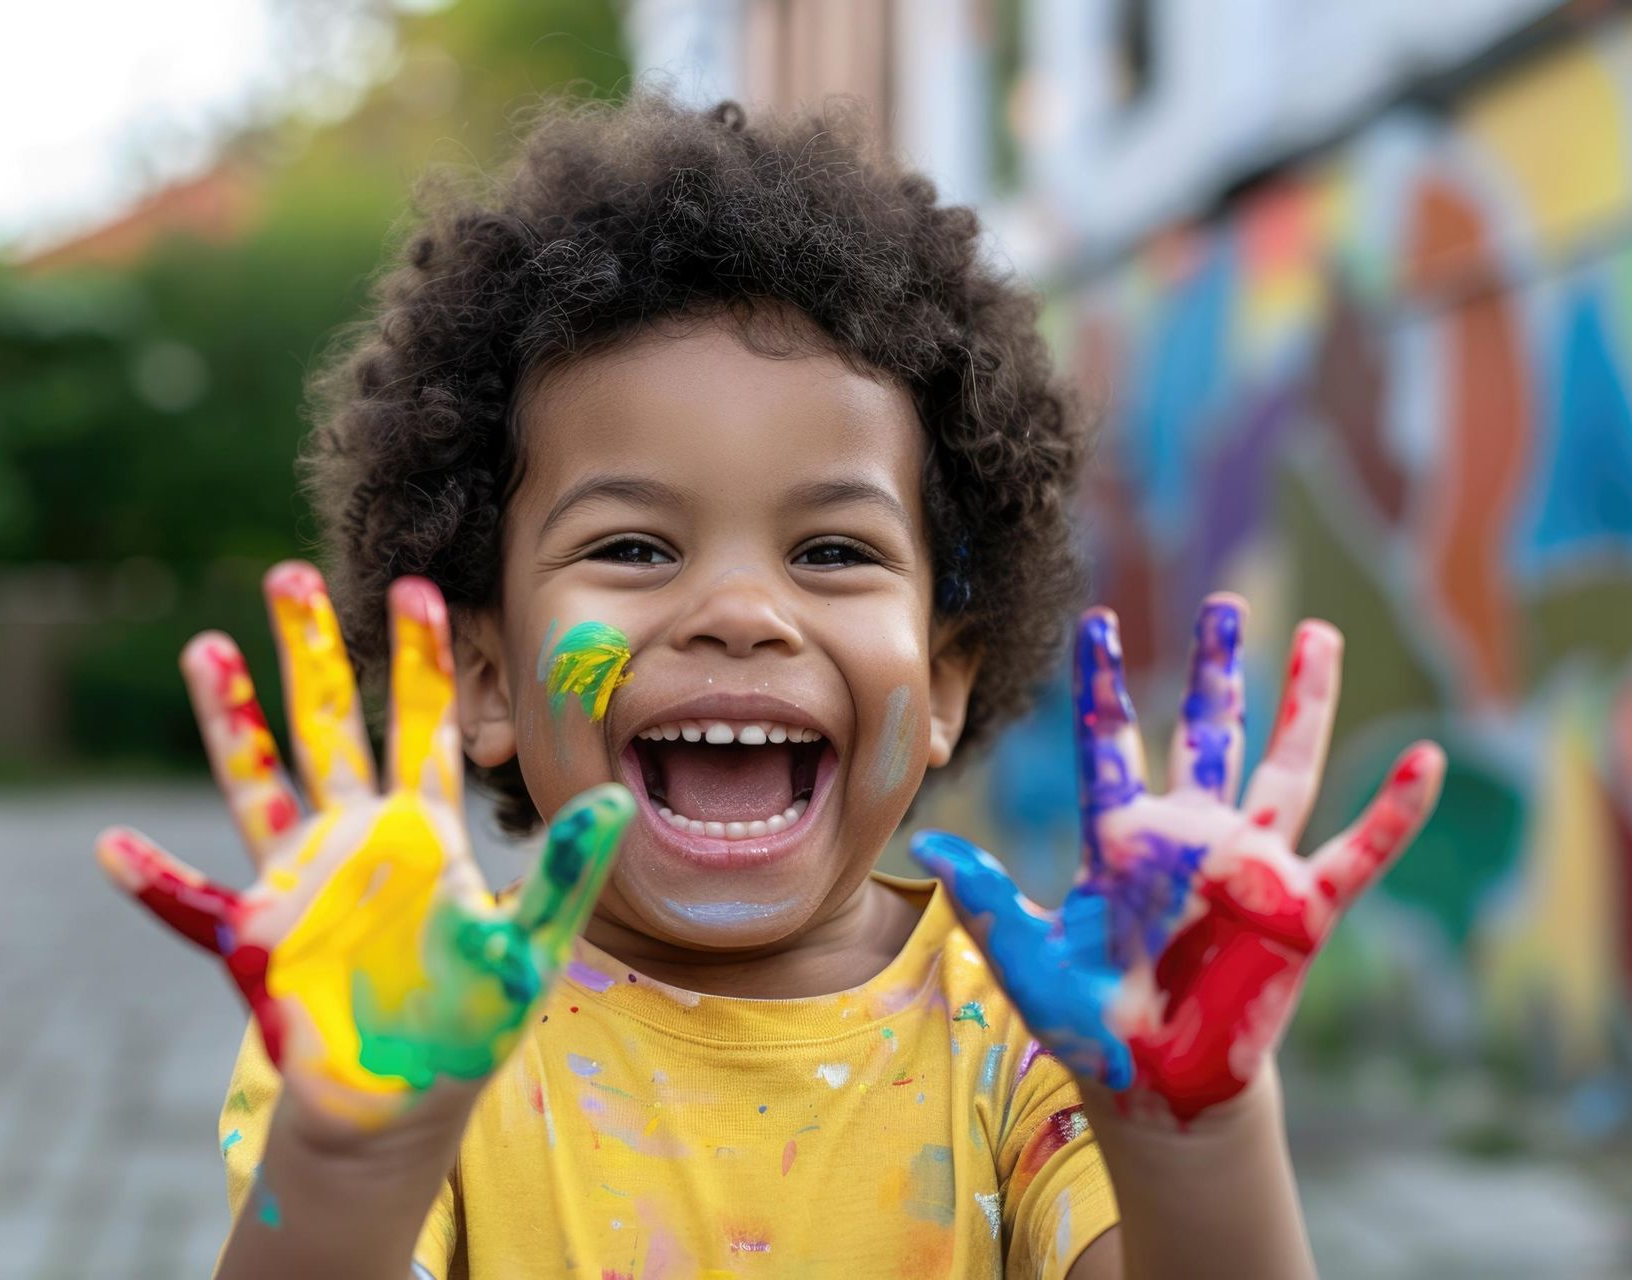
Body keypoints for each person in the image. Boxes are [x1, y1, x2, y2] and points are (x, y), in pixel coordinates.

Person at [93, 92, 1445, 1279]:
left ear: (948, 675)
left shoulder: (1034, 1032)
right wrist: (352, 1158)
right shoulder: (409, 1026)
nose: (742, 611)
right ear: (489, 677)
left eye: (834, 550)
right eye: (632, 546)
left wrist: (1195, 1135)